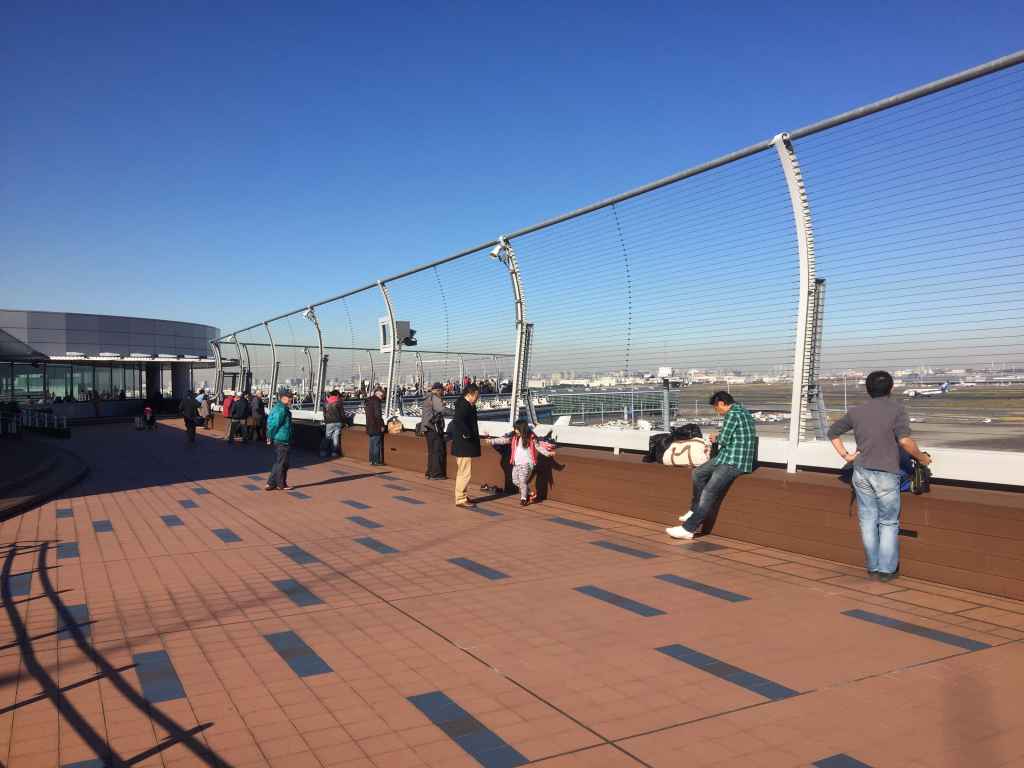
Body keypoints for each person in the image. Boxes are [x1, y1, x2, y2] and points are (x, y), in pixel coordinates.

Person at [827, 370, 932, 582]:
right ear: (891, 388)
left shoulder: (857, 411)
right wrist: (922, 459)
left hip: (861, 471)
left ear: (868, 389)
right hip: (886, 473)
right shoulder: (897, 410)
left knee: (867, 520)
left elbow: (833, 433)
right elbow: (904, 441)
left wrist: (847, 455)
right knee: (888, 522)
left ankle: (872, 566)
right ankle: (887, 569)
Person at [666, 391, 756, 540]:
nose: (716, 411)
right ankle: (695, 509)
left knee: (709, 492)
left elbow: (725, 440)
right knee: (698, 473)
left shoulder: (732, 414)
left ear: (721, 403)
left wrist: (715, 437)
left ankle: (689, 529)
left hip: (734, 461)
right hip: (727, 456)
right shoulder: (742, 411)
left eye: (716, 407)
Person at [489, 419, 554, 505]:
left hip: (527, 464)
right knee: (515, 481)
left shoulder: (531, 438)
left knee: (522, 481)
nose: (515, 430)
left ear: (522, 429)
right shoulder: (514, 437)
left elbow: (538, 447)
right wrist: (492, 441)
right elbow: (503, 440)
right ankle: (530, 493)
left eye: (517, 429)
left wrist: (548, 453)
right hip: (516, 463)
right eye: (515, 429)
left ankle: (523, 499)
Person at [451, 383, 481, 508]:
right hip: (464, 445)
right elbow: (459, 421)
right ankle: (460, 498)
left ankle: (461, 495)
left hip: (461, 444)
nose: (478, 398)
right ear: (470, 394)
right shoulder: (464, 406)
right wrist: (467, 434)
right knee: (465, 472)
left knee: (462, 471)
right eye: (477, 396)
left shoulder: (465, 405)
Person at [265, 388, 294, 491]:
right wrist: (269, 436)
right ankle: (281, 484)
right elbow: (274, 424)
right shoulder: (282, 410)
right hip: (282, 439)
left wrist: (270, 436)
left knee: (279, 462)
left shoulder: (278, 408)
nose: (291, 399)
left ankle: (271, 483)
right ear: (283, 398)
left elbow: (271, 423)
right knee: (283, 463)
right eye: (290, 397)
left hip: (280, 438)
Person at [420, 383, 449, 479]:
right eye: (442, 391)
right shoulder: (435, 398)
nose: (443, 393)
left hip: (427, 428)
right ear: (438, 390)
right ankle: (436, 474)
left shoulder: (427, 397)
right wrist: (456, 412)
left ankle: (429, 472)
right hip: (434, 428)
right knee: (437, 451)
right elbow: (442, 410)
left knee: (431, 452)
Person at [365, 386, 386, 465]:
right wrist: (382, 425)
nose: (382, 396)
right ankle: (376, 461)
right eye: (382, 394)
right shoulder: (377, 401)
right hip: (376, 425)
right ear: (377, 392)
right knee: (376, 443)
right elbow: (378, 415)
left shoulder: (369, 400)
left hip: (369, 425)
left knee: (372, 443)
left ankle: (371, 460)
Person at [324, 389, 346, 457]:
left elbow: (324, 413)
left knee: (327, 437)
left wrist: (326, 420)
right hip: (338, 422)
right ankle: (334, 453)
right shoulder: (339, 402)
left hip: (329, 422)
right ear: (337, 395)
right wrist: (344, 421)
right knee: (335, 437)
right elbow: (342, 414)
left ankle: (324, 452)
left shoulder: (326, 402)